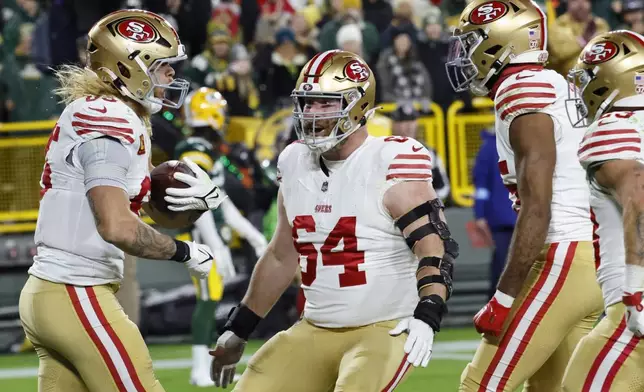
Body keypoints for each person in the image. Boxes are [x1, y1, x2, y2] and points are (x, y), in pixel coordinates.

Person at [209, 50, 459, 391]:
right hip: (315, 326)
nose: (311, 113)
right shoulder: (294, 160)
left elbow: (435, 247)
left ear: (357, 105)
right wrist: (238, 328)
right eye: (306, 103)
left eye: (324, 103)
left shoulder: (391, 159)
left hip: (383, 328)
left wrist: (428, 313)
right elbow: (283, 256)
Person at [18, 9, 225, 392]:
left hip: (52, 290)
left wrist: (177, 202)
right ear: (129, 68)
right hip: (75, 291)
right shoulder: (108, 120)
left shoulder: (110, 113)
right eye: (163, 67)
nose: (171, 78)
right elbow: (115, 225)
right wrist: (184, 253)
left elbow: (118, 204)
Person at [446, 1, 603, 390]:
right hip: (589, 254)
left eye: (473, 42)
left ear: (501, 43)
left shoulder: (522, 88)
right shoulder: (552, 82)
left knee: (480, 384)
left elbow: (538, 206)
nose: (466, 54)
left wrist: (503, 296)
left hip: (563, 254)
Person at [562, 30, 644, 391]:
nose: (579, 91)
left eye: (586, 80)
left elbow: (639, 197)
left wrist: (636, 287)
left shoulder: (612, 129)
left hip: (634, 311)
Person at [176, 86, 268, 387]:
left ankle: (207, 366)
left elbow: (219, 200)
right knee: (206, 301)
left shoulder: (207, 150)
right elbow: (197, 200)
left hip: (208, 237)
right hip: (199, 238)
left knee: (211, 298)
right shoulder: (194, 150)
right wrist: (216, 246)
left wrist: (253, 236)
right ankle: (199, 369)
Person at [472, 129, 516, 300]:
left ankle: (497, 307)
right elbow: (482, 185)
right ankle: (497, 306)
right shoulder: (492, 147)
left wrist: (480, 213)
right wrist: (480, 214)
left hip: (506, 216)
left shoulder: (489, 147)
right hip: (506, 219)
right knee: (503, 266)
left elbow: (481, 185)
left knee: (503, 266)